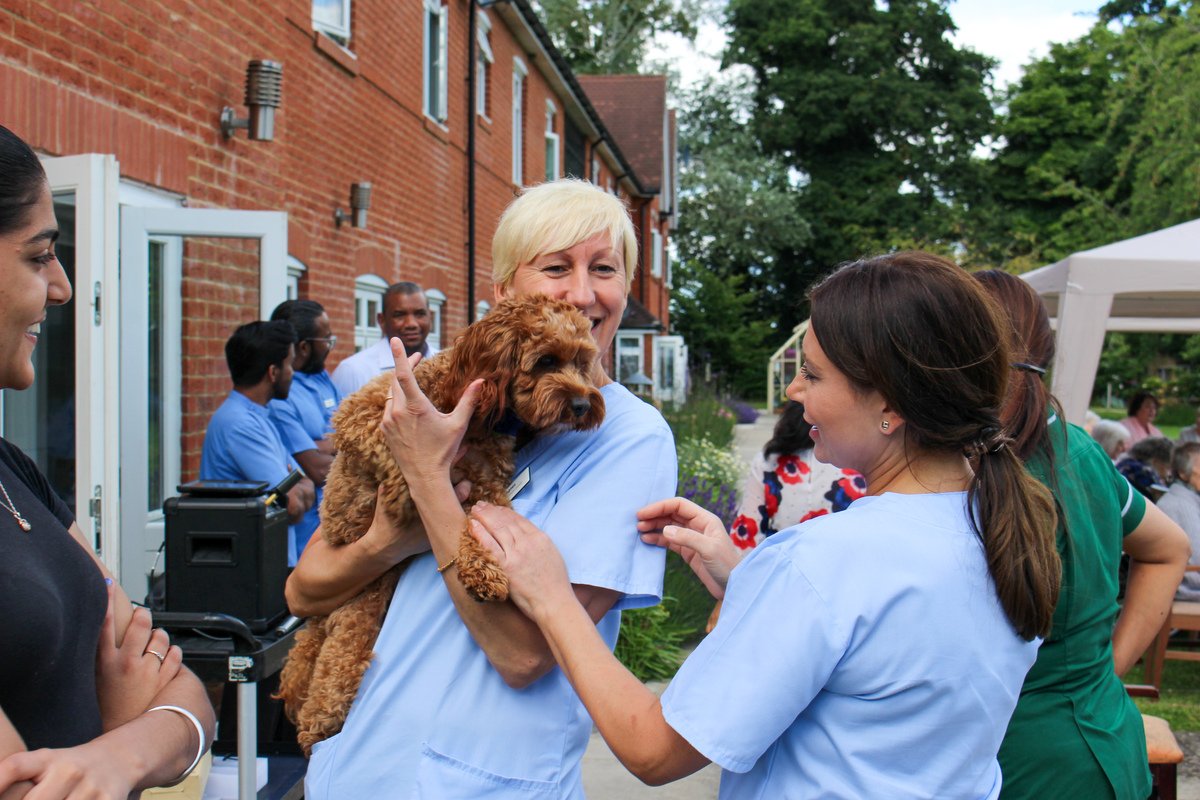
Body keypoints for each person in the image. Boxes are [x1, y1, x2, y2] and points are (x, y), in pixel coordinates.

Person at [470, 251, 1062, 798]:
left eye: (815, 375)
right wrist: (750, 581)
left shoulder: (824, 561)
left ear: (892, 405)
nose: (795, 392)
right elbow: (879, 656)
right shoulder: (1001, 526)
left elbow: (652, 750)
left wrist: (552, 597)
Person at [288, 179, 677, 799]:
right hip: (354, 767)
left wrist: (427, 479)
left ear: (626, 288)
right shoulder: (442, 396)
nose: (581, 292)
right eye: (555, 267)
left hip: (480, 784)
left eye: (604, 268)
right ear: (503, 292)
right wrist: (388, 542)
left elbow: (522, 654)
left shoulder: (631, 440)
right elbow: (304, 588)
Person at [0, 124, 216, 798]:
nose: (61, 288)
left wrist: (117, 757)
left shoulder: (14, 470)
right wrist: (131, 739)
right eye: (39, 256)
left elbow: (191, 697)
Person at [973, 269, 1189, 800]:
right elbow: (1169, 549)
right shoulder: (1078, 446)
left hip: (1024, 762)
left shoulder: (975, 471)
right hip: (1101, 736)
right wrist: (1104, 672)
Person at [200, 320, 316, 560]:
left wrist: (297, 486)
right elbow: (294, 505)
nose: (292, 373)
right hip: (254, 568)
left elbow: (308, 488)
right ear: (273, 372)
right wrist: (296, 486)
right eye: (289, 365)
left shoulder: (258, 417)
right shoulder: (241, 425)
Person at [728, 400, 863, 549]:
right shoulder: (856, 464)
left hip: (782, 565)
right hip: (842, 566)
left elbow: (747, 532)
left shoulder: (767, 462)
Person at [269, 300, 342, 563]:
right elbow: (317, 469)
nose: (329, 346)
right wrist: (343, 445)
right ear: (303, 347)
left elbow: (359, 435)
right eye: (326, 339)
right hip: (306, 539)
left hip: (340, 528)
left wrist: (319, 444)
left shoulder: (322, 377)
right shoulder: (280, 395)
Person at [331, 282, 437, 397]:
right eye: (399, 315)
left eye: (419, 314)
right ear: (382, 320)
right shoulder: (352, 371)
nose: (411, 324)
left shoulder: (448, 366)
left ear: (430, 318)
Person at [1157, 442, 1200, 601]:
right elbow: (1197, 558)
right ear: (1184, 474)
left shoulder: (1186, 499)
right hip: (1189, 589)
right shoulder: (1182, 506)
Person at [1117, 436, 1174, 502]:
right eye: (1167, 468)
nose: (1166, 474)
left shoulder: (1124, 463)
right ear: (1156, 461)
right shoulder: (1145, 474)